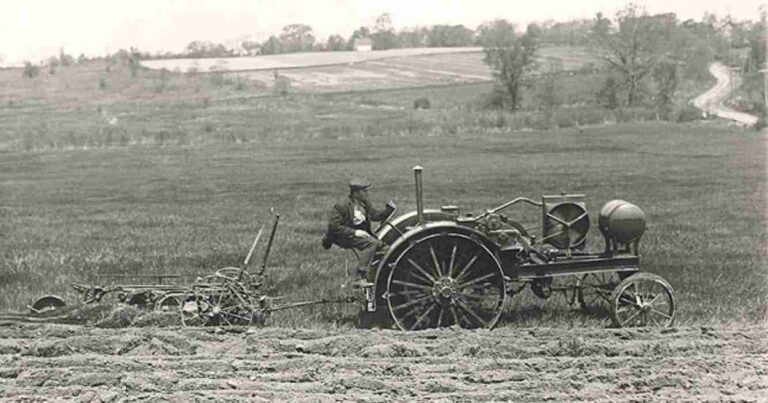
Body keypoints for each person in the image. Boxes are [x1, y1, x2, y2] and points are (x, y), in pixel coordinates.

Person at [322, 178, 396, 288]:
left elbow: (374, 215)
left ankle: (374, 274)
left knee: (385, 249)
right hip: (342, 236)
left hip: (360, 235)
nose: (366, 193)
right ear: (355, 193)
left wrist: (388, 211)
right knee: (372, 244)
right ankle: (358, 277)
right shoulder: (342, 205)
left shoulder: (364, 203)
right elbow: (333, 226)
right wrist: (355, 232)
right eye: (364, 191)